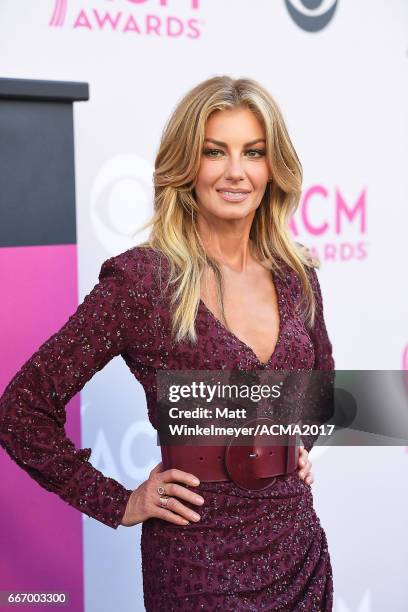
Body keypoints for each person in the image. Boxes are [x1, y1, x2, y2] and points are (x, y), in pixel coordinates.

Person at [0, 75, 334, 610]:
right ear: (186, 165)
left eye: (253, 152)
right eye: (214, 152)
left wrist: (292, 443)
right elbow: (21, 410)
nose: (235, 172)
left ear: (273, 168)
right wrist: (118, 500)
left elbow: (322, 379)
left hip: (297, 547)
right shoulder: (144, 283)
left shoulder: (296, 273)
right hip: (198, 561)